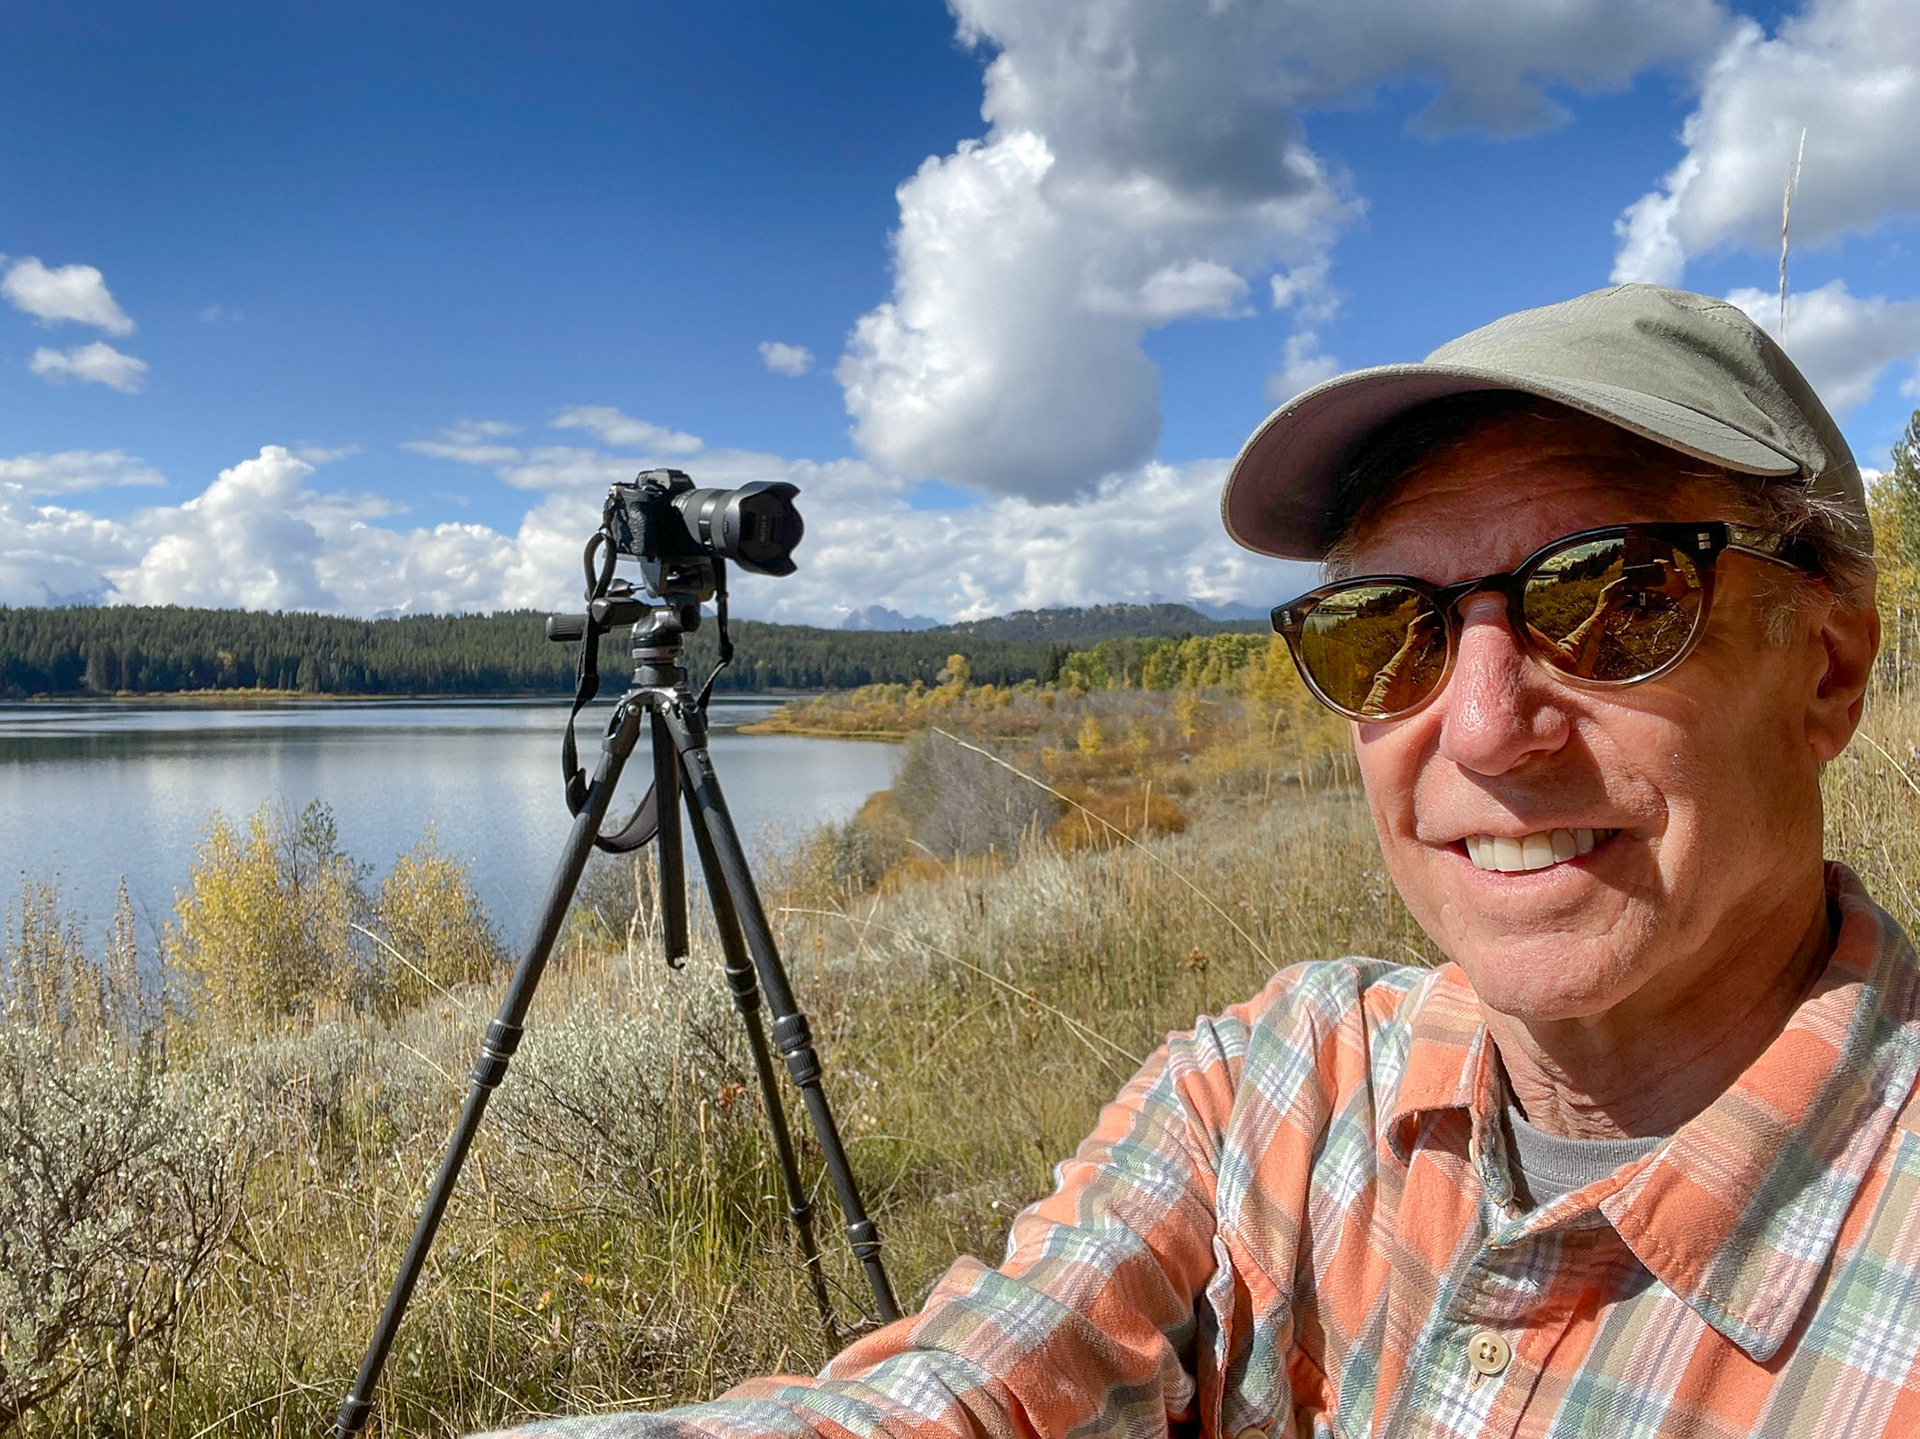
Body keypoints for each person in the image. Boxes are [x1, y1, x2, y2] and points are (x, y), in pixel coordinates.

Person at [478, 285, 1910, 1438]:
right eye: (1387, 630)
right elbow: (969, 1391)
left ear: (1829, 669)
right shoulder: (1278, 1090)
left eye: (1616, 599)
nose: (1481, 725)